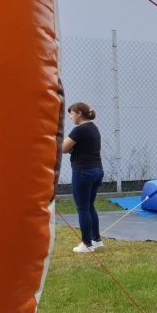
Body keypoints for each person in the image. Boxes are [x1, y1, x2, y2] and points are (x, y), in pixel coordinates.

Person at [62, 102, 105, 252]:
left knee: (82, 209)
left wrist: (71, 149)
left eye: (72, 113)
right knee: (89, 205)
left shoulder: (79, 130)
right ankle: (96, 240)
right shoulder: (93, 128)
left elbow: (63, 148)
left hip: (83, 172)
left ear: (79, 113)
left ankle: (87, 244)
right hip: (97, 171)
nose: (71, 117)